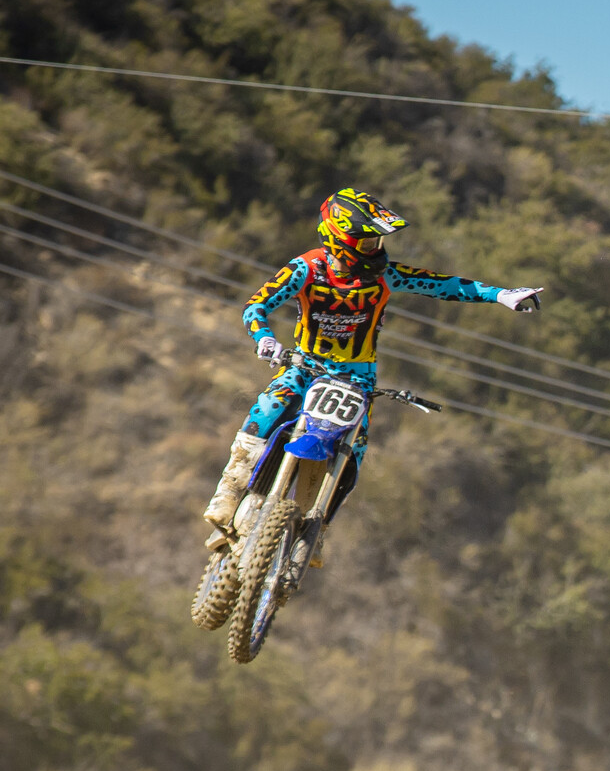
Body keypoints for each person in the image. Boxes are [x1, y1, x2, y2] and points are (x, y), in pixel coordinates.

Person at [202, 188, 544, 548]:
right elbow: (257, 305)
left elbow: (441, 284)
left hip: (358, 378)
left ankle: (316, 534)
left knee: (353, 454)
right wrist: (265, 339)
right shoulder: (307, 268)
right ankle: (227, 493)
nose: (375, 250)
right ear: (338, 239)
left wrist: (500, 295)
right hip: (305, 365)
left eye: (377, 242)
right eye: (366, 243)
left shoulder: (385, 276)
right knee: (267, 409)